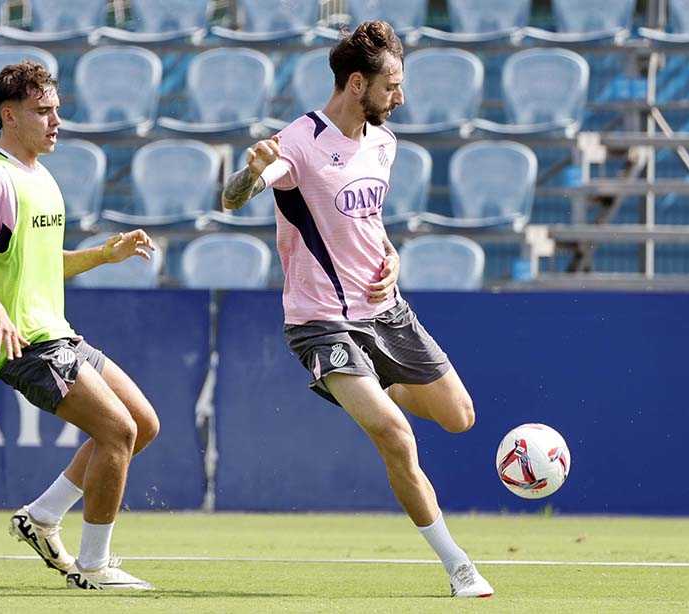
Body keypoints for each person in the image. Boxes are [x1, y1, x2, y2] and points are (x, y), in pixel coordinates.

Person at [221, 21, 494, 599]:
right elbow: (233, 197)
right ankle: (459, 567)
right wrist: (251, 171)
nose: (401, 97)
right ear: (355, 84)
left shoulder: (384, 143)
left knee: (459, 416)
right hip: (321, 322)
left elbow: (365, 220)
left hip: (385, 310)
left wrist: (392, 254)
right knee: (396, 436)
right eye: (391, 86)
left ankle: (369, 386)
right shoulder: (298, 142)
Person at [0, 61, 158, 591]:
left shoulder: (39, 176)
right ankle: (93, 568)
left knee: (142, 424)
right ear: (9, 115)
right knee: (118, 431)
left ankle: (41, 516)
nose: (56, 121)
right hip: (26, 341)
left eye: (56, 110)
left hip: (58, 332)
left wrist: (104, 255)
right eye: (43, 111)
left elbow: (45, 263)